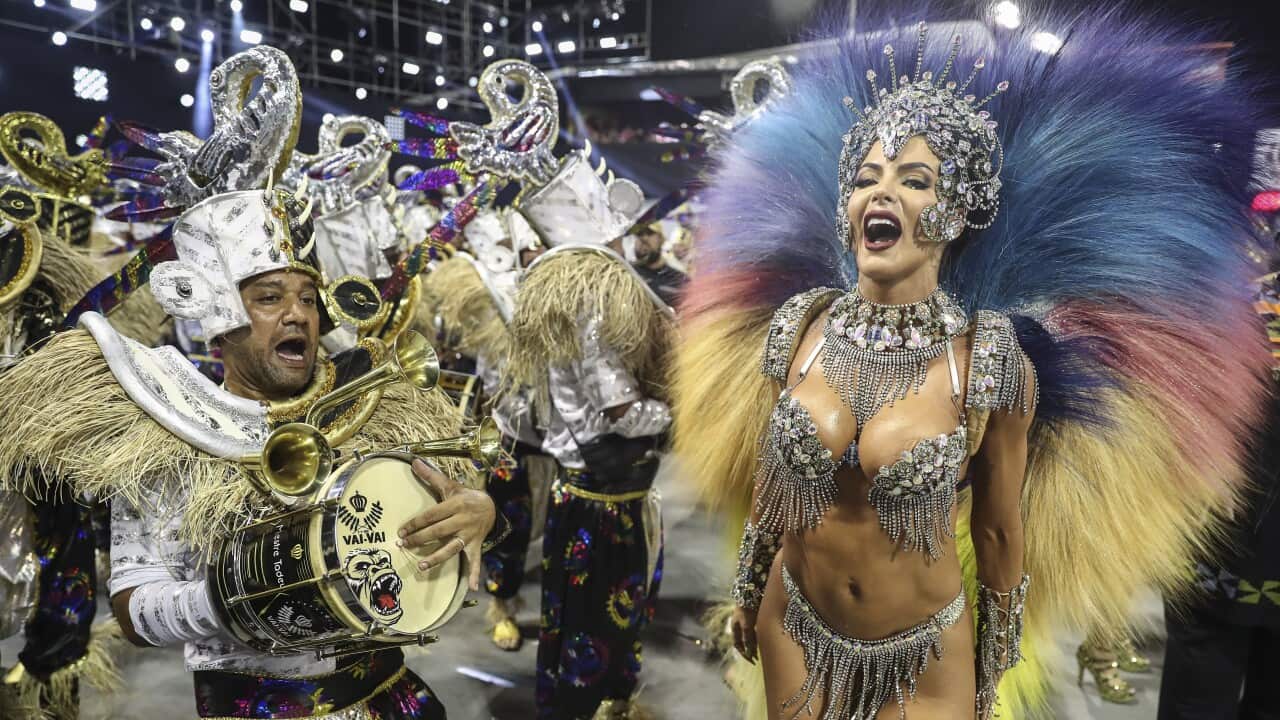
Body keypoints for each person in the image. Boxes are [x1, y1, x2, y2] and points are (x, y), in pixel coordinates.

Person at [672, 11, 1271, 720]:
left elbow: (998, 532)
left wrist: (996, 662)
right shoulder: (794, 329)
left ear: (958, 212)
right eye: (867, 175)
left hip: (925, 651)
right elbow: (775, 485)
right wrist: (747, 589)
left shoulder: (989, 360)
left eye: (915, 179)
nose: (883, 191)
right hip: (792, 622)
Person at [0, 46, 503, 720]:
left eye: (305, 296)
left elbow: (439, 528)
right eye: (269, 297)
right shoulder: (164, 426)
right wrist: (244, 594)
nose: (298, 311)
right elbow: (133, 611)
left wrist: (480, 514)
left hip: (393, 696)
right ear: (219, 318)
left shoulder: (374, 406)